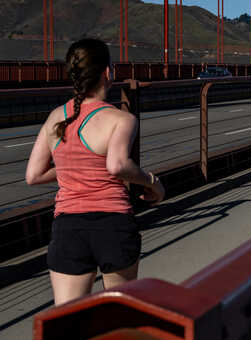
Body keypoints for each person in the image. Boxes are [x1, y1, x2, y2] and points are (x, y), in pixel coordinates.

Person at [25, 38, 164, 305]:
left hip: (68, 227)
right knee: (118, 315)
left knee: (67, 321)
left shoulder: (56, 117)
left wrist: (72, 166)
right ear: (108, 73)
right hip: (113, 224)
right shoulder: (121, 119)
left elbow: (33, 176)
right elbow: (117, 165)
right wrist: (152, 182)